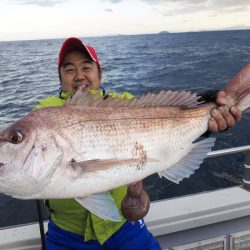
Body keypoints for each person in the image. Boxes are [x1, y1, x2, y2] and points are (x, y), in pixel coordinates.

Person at [33, 37, 242, 249]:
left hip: (124, 228)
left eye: (86, 67)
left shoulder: (124, 102)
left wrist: (205, 109)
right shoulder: (42, 116)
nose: (79, 76)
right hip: (66, 235)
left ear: (99, 73)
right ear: (60, 78)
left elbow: (159, 118)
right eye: (69, 70)